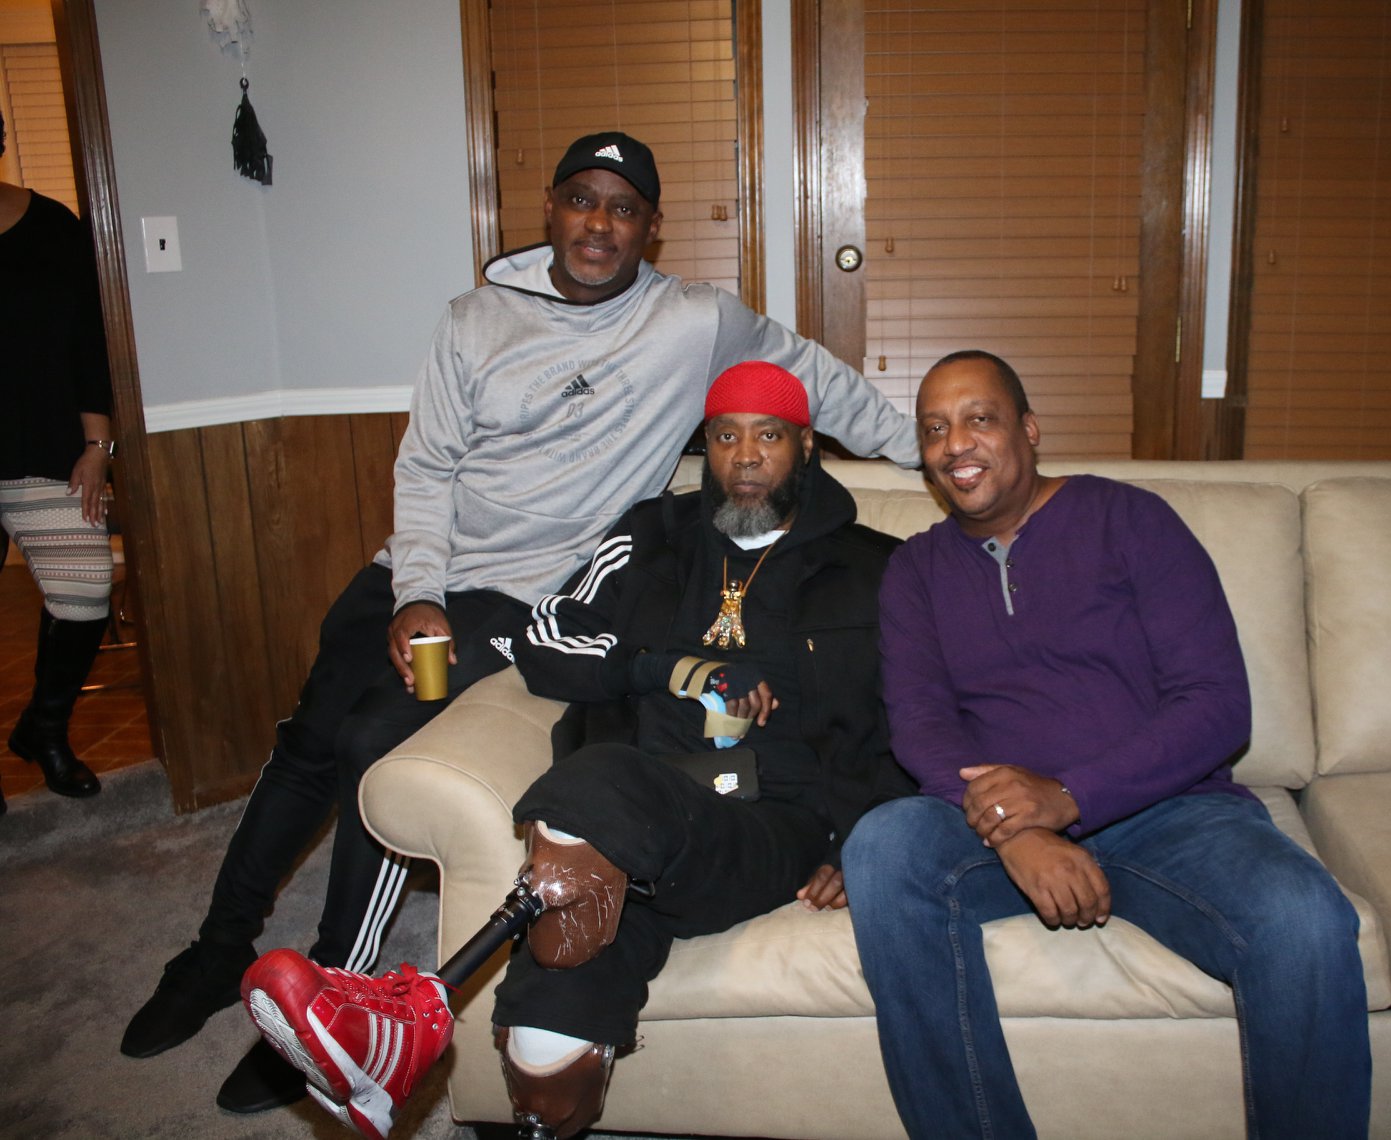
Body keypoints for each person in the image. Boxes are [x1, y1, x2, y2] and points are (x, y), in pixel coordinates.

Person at [119, 131, 918, 1116]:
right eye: (582, 199)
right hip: (416, 574)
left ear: (651, 227)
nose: (600, 224)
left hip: (517, 596)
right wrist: (415, 588)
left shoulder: (694, 321)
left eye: (623, 208)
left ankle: (346, 991)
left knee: (376, 741)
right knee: (309, 741)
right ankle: (214, 951)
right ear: (550, 207)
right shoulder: (473, 320)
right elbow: (428, 466)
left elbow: (818, 386)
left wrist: (939, 454)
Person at [239, 360, 912, 1140]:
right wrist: (669, 669)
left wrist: (863, 839)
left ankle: (413, 1014)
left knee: (596, 792)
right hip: (625, 823)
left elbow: (914, 717)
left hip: (768, 823)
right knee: (545, 1040)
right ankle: (447, 1059)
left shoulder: (874, 568)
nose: (747, 457)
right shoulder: (652, 534)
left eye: (769, 436)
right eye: (726, 436)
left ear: (806, 446)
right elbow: (544, 639)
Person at [840, 350, 1371, 1138]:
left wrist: (1067, 798)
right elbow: (920, 724)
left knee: (1304, 919)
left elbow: (1218, 705)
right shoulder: (915, 569)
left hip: (1173, 815)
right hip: (990, 824)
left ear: (1029, 429)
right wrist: (1016, 830)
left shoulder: (1130, 519)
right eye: (935, 429)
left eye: (980, 419)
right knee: (883, 846)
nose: (956, 445)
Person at [0, 107, 115, 812]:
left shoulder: (53, 228)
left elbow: (88, 343)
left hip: (44, 448)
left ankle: (44, 729)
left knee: (86, 590)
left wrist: (98, 447)